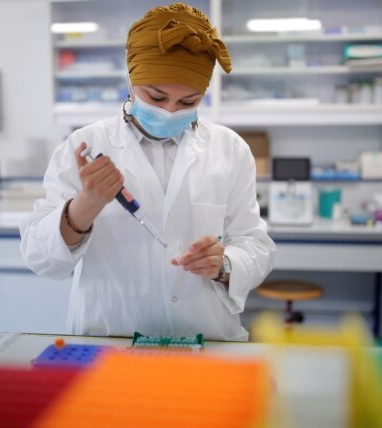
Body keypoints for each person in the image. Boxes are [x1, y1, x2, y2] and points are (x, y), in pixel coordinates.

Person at [20, 3, 275, 341]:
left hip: (206, 340)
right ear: (130, 79)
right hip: (110, 339)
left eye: (188, 102)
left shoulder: (229, 150)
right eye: (156, 96)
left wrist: (224, 264)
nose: (170, 111)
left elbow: (256, 246)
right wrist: (86, 205)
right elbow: (41, 259)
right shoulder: (84, 145)